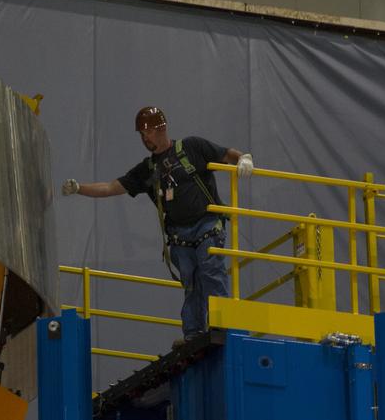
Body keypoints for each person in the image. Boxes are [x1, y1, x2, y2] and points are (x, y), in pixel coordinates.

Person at [61, 106, 254, 342]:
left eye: (149, 132)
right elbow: (112, 187)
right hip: (180, 236)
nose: (145, 138)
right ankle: (193, 333)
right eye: (141, 134)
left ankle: (225, 327)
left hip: (207, 226)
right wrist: (80, 189)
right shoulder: (148, 170)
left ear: (161, 128)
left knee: (211, 272)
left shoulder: (192, 147)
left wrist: (243, 158)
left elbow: (226, 154)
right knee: (191, 283)